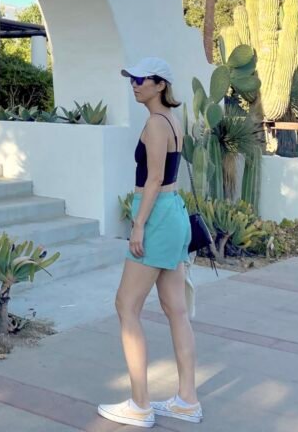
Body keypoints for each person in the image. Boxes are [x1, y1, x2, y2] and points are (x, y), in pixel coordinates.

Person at [97, 58, 202, 427]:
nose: (134, 84)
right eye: (132, 78)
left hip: (156, 213)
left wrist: (138, 224)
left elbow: (154, 178)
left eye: (140, 79)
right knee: (175, 309)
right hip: (172, 211)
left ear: (160, 85)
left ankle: (140, 404)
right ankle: (187, 400)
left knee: (126, 305)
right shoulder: (173, 121)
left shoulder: (157, 124)